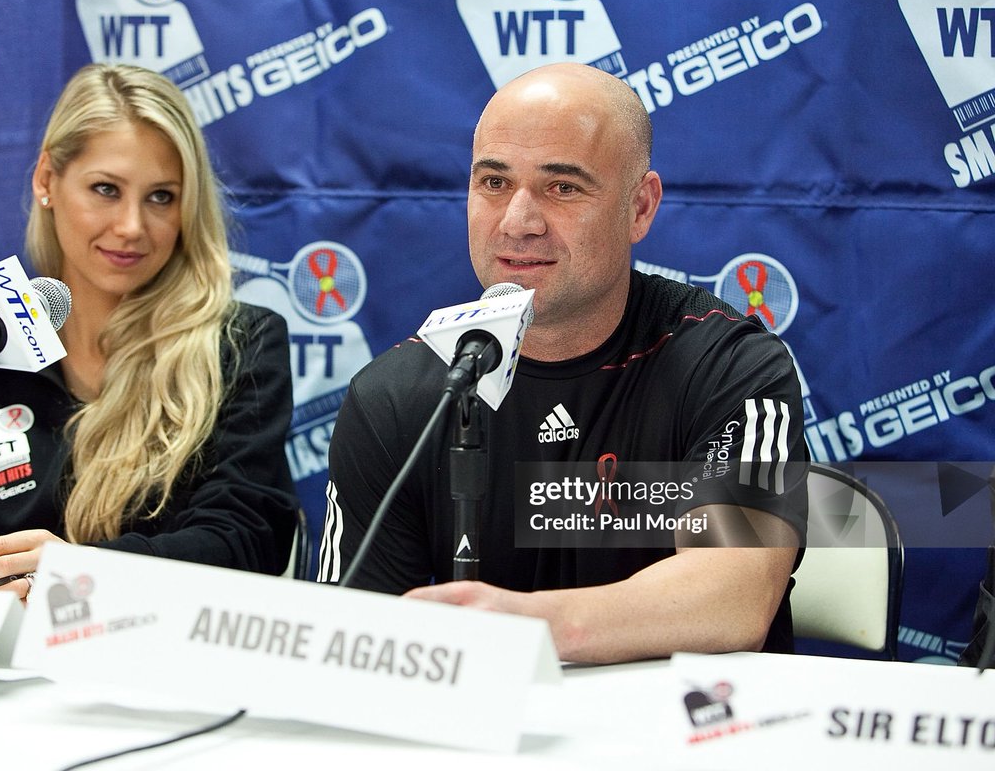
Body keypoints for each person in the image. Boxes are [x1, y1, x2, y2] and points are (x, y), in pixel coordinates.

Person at [317, 62, 808, 664]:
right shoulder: (397, 397)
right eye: (494, 182)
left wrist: (524, 629)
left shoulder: (730, 368)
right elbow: (354, 641)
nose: (518, 222)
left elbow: (732, 595)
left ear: (640, 208)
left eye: (563, 188)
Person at [0, 63, 299, 598]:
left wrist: (83, 573)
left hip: (157, 643)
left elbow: (246, 540)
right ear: (46, 181)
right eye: (106, 189)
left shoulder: (239, 344)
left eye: (161, 197)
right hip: (2, 641)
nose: (131, 226)